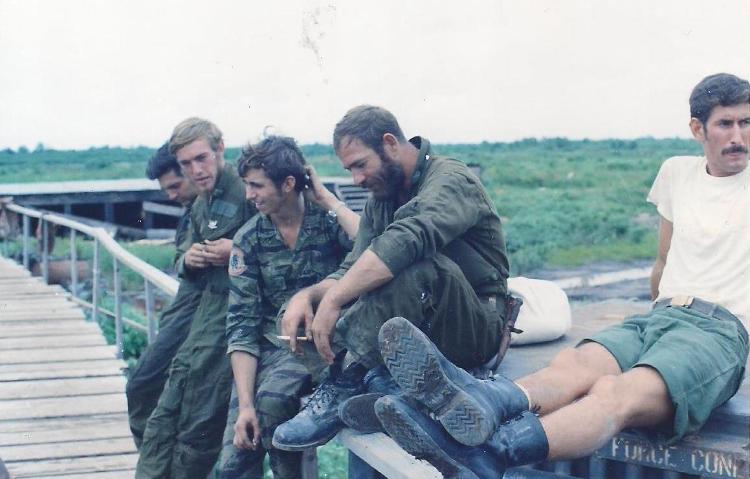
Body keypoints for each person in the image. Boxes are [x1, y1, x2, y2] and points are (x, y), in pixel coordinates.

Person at [373, 72, 750, 478]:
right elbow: (663, 259)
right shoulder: (676, 173)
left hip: (719, 331)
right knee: (574, 364)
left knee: (614, 392)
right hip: (660, 316)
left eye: (746, 122)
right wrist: (656, 321)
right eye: (725, 124)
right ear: (697, 129)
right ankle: (483, 402)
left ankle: (490, 456)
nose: (738, 136)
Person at [273, 105, 511, 451]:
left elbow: (407, 241)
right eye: (349, 170)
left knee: (412, 266)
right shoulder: (382, 198)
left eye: (360, 165)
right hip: (417, 325)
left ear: (390, 144)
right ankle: (377, 382)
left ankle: (348, 377)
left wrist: (336, 300)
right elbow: (353, 267)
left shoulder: (451, 179)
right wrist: (309, 297)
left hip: (472, 323)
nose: (357, 179)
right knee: (297, 315)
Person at [217, 136, 358, 478]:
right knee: (233, 462)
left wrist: (327, 199)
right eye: (247, 185)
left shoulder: (327, 221)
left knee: (272, 407)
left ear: (289, 183)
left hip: (323, 344)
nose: (248, 195)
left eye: (257, 185)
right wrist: (244, 405)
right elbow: (242, 324)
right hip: (270, 349)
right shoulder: (249, 239)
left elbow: (374, 248)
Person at [136, 118, 256, 478]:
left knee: (197, 424)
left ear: (220, 149)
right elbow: (185, 257)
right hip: (206, 314)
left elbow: (287, 247)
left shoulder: (249, 190)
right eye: (186, 163)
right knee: (164, 415)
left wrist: (237, 250)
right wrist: (190, 259)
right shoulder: (203, 204)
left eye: (201, 158)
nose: (196, 170)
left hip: (237, 317)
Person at [126, 142, 200, 449]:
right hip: (184, 309)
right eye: (165, 189)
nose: (170, 195)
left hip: (200, 313)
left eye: (174, 186)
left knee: (143, 385)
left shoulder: (224, 206)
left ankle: (156, 461)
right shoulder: (193, 212)